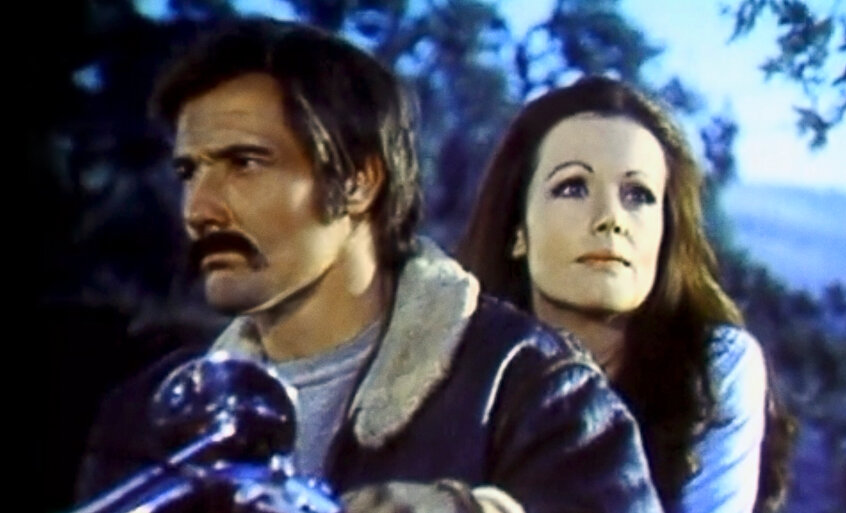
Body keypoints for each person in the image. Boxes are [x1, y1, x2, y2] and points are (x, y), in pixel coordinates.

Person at [76, 21, 663, 513]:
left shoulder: (532, 392)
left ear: (359, 181)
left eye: (245, 163)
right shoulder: (146, 419)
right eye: (190, 171)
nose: (200, 208)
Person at [458, 76, 794, 513]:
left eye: (638, 195)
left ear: (665, 231)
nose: (611, 218)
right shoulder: (457, 364)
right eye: (573, 187)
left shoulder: (713, 368)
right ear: (518, 230)